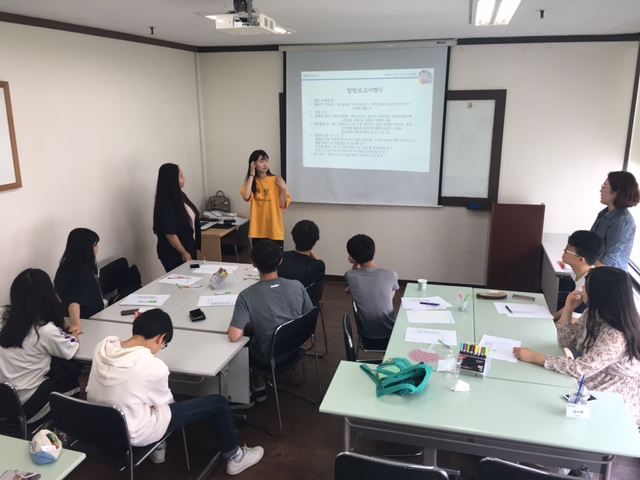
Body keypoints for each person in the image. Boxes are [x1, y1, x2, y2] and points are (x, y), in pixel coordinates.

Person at [86, 309, 263, 474]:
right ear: (160, 338)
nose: (160, 349)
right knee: (220, 403)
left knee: (140, 398)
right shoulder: (152, 366)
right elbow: (166, 404)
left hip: (99, 429)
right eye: (164, 344)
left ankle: (159, 447)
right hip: (134, 435)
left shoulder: (103, 347)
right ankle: (236, 457)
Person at [514, 267, 640, 427]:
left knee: (553, 414)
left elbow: (582, 369)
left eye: (586, 286)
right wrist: (568, 310)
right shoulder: (593, 313)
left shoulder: (615, 335)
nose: (582, 289)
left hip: (614, 393)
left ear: (599, 293)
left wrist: (535, 357)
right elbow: (567, 343)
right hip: (590, 379)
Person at [228, 240, 312, 407]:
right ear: (280, 261)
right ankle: (258, 385)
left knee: (242, 344)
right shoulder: (297, 286)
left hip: (268, 356)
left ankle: (252, 390)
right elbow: (309, 315)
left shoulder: (246, 296)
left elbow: (233, 336)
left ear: (253, 264)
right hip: (294, 348)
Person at [0, 269, 80, 423]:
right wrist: (73, 331)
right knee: (73, 381)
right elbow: (71, 348)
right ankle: (66, 428)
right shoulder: (44, 330)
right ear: (48, 296)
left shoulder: (2, 314)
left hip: (3, 402)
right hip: (26, 406)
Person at [344, 234, 399, 350]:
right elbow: (390, 295)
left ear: (352, 257)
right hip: (392, 336)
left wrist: (355, 263)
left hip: (367, 338)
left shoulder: (350, 276)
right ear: (375, 252)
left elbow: (353, 277)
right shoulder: (391, 275)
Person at [153, 163, 201, 272]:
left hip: (188, 246)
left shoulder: (180, 196)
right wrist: (183, 252)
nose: (184, 178)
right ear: (172, 180)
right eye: (181, 176)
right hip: (175, 252)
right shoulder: (166, 204)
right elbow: (170, 235)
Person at [54, 227, 103, 335]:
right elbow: (74, 302)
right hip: (89, 322)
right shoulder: (82, 272)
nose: (97, 248)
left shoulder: (64, 267)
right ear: (86, 248)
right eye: (95, 245)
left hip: (71, 319)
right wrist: (77, 324)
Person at [240, 150, 291, 249]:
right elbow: (246, 196)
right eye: (261, 161)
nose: (265, 164)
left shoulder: (276, 180)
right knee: (259, 258)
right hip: (258, 231)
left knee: (276, 258)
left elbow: (283, 204)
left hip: (274, 230)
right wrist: (251, 175)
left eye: (267, 161)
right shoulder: (251, 182)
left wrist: (284, 188)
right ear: (253, 164)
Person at [590, 171, 640, 270]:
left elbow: (607, 261)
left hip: (608, 275)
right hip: (594, 269)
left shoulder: (622, 222)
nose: (600, 190)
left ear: (616, 192)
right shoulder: (604, 213)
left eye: (604, 186)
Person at [553, 230, 603, 320]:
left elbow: (573, 321)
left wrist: (551, 319)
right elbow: (567, 308)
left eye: (568, 250)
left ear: (581, 260)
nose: (564, 250)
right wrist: (551, 317)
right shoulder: (580, 272)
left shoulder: (586, 288)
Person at [278, 220, 325, 288]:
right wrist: (308, 247)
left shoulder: (279, 257)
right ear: (316, 239)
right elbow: (319, 261)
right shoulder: (318, 266)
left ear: (293, 235)